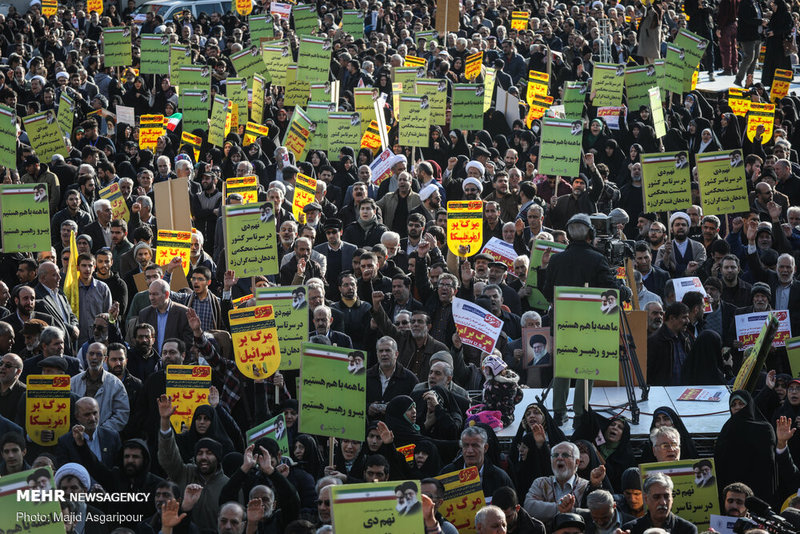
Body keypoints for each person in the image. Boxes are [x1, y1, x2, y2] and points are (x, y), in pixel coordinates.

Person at [542, 214, 619, 425]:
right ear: (590, 235)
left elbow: (548, 292)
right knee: (586, 366)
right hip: (591, 323)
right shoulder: (597, 259)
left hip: (563, 322)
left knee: (563, 366)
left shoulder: (557, 260)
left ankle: (558, 412)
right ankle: (580, 413)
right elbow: (609, 291)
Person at [621, 473, 698, 534]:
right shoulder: (630, 530)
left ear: (672, 498)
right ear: (646, 499)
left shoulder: (687, 530)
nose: (663, 502)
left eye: (666, 496)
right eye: (656, 497)